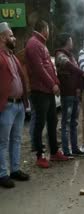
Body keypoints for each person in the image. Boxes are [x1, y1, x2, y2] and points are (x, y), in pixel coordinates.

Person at [25, 20, 69, 168]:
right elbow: (39, 69)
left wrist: (56, 81)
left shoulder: (41, 44)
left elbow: (49, 66)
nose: (49, 32)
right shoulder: (33, 44)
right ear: (44, 29)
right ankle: (40, 155)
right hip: (40, 91)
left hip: (48, 91)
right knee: (40, 124)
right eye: (48, 29)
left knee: (52, 121)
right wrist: (52, 84)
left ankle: (54, 152)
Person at [0, 22, 30, 188]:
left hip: (18, 105)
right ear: (3, 37)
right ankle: (2, 173)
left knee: (16, 139)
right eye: (11, 35)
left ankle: (15, 169)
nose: (14, 38)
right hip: (6, 106)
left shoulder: (11, 56)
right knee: (2, 141)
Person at [55, 33, 84, 156]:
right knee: (66, 123)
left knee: (74, 123)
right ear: (67, 41)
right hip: (67, 94)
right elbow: (71, 68)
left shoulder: (71, 56)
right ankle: (66, 151)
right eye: (71, 40)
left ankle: (75, 148)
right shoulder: (60, 55)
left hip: (75, 94)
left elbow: (76, 73)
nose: (72, 43)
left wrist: (79, 88)